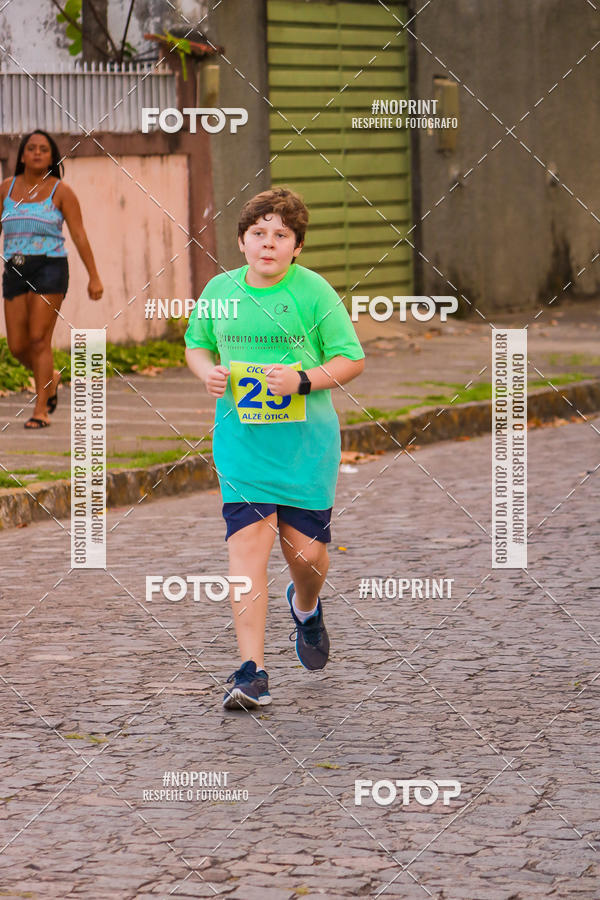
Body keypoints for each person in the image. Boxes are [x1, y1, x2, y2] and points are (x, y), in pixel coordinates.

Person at [185, 187, 365, 710]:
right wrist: (207, 372)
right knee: (247, 550)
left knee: (306, 555)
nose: (269, 243)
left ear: (297, 246)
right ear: (241, 241)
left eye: (281, 235)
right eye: (258, 233)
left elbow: (351, 359)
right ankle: (252, 672)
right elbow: (197, 344)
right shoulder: (219, 291)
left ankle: (305, 606)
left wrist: (302, 380)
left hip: (305, 447)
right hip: (242, 444)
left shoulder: (315, 292)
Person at [0, 130, 103, 429]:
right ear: (22, 155)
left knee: (38, 339)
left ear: (52, 157)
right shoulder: (6, 188)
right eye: (31, 148)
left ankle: (40, 409)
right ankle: (51, 378)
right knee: (17, 346)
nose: (36, 153)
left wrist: (94, 276)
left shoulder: (61, 191)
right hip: (15, 268)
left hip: (50, 267)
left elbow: (79, 235)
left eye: (43, 149)